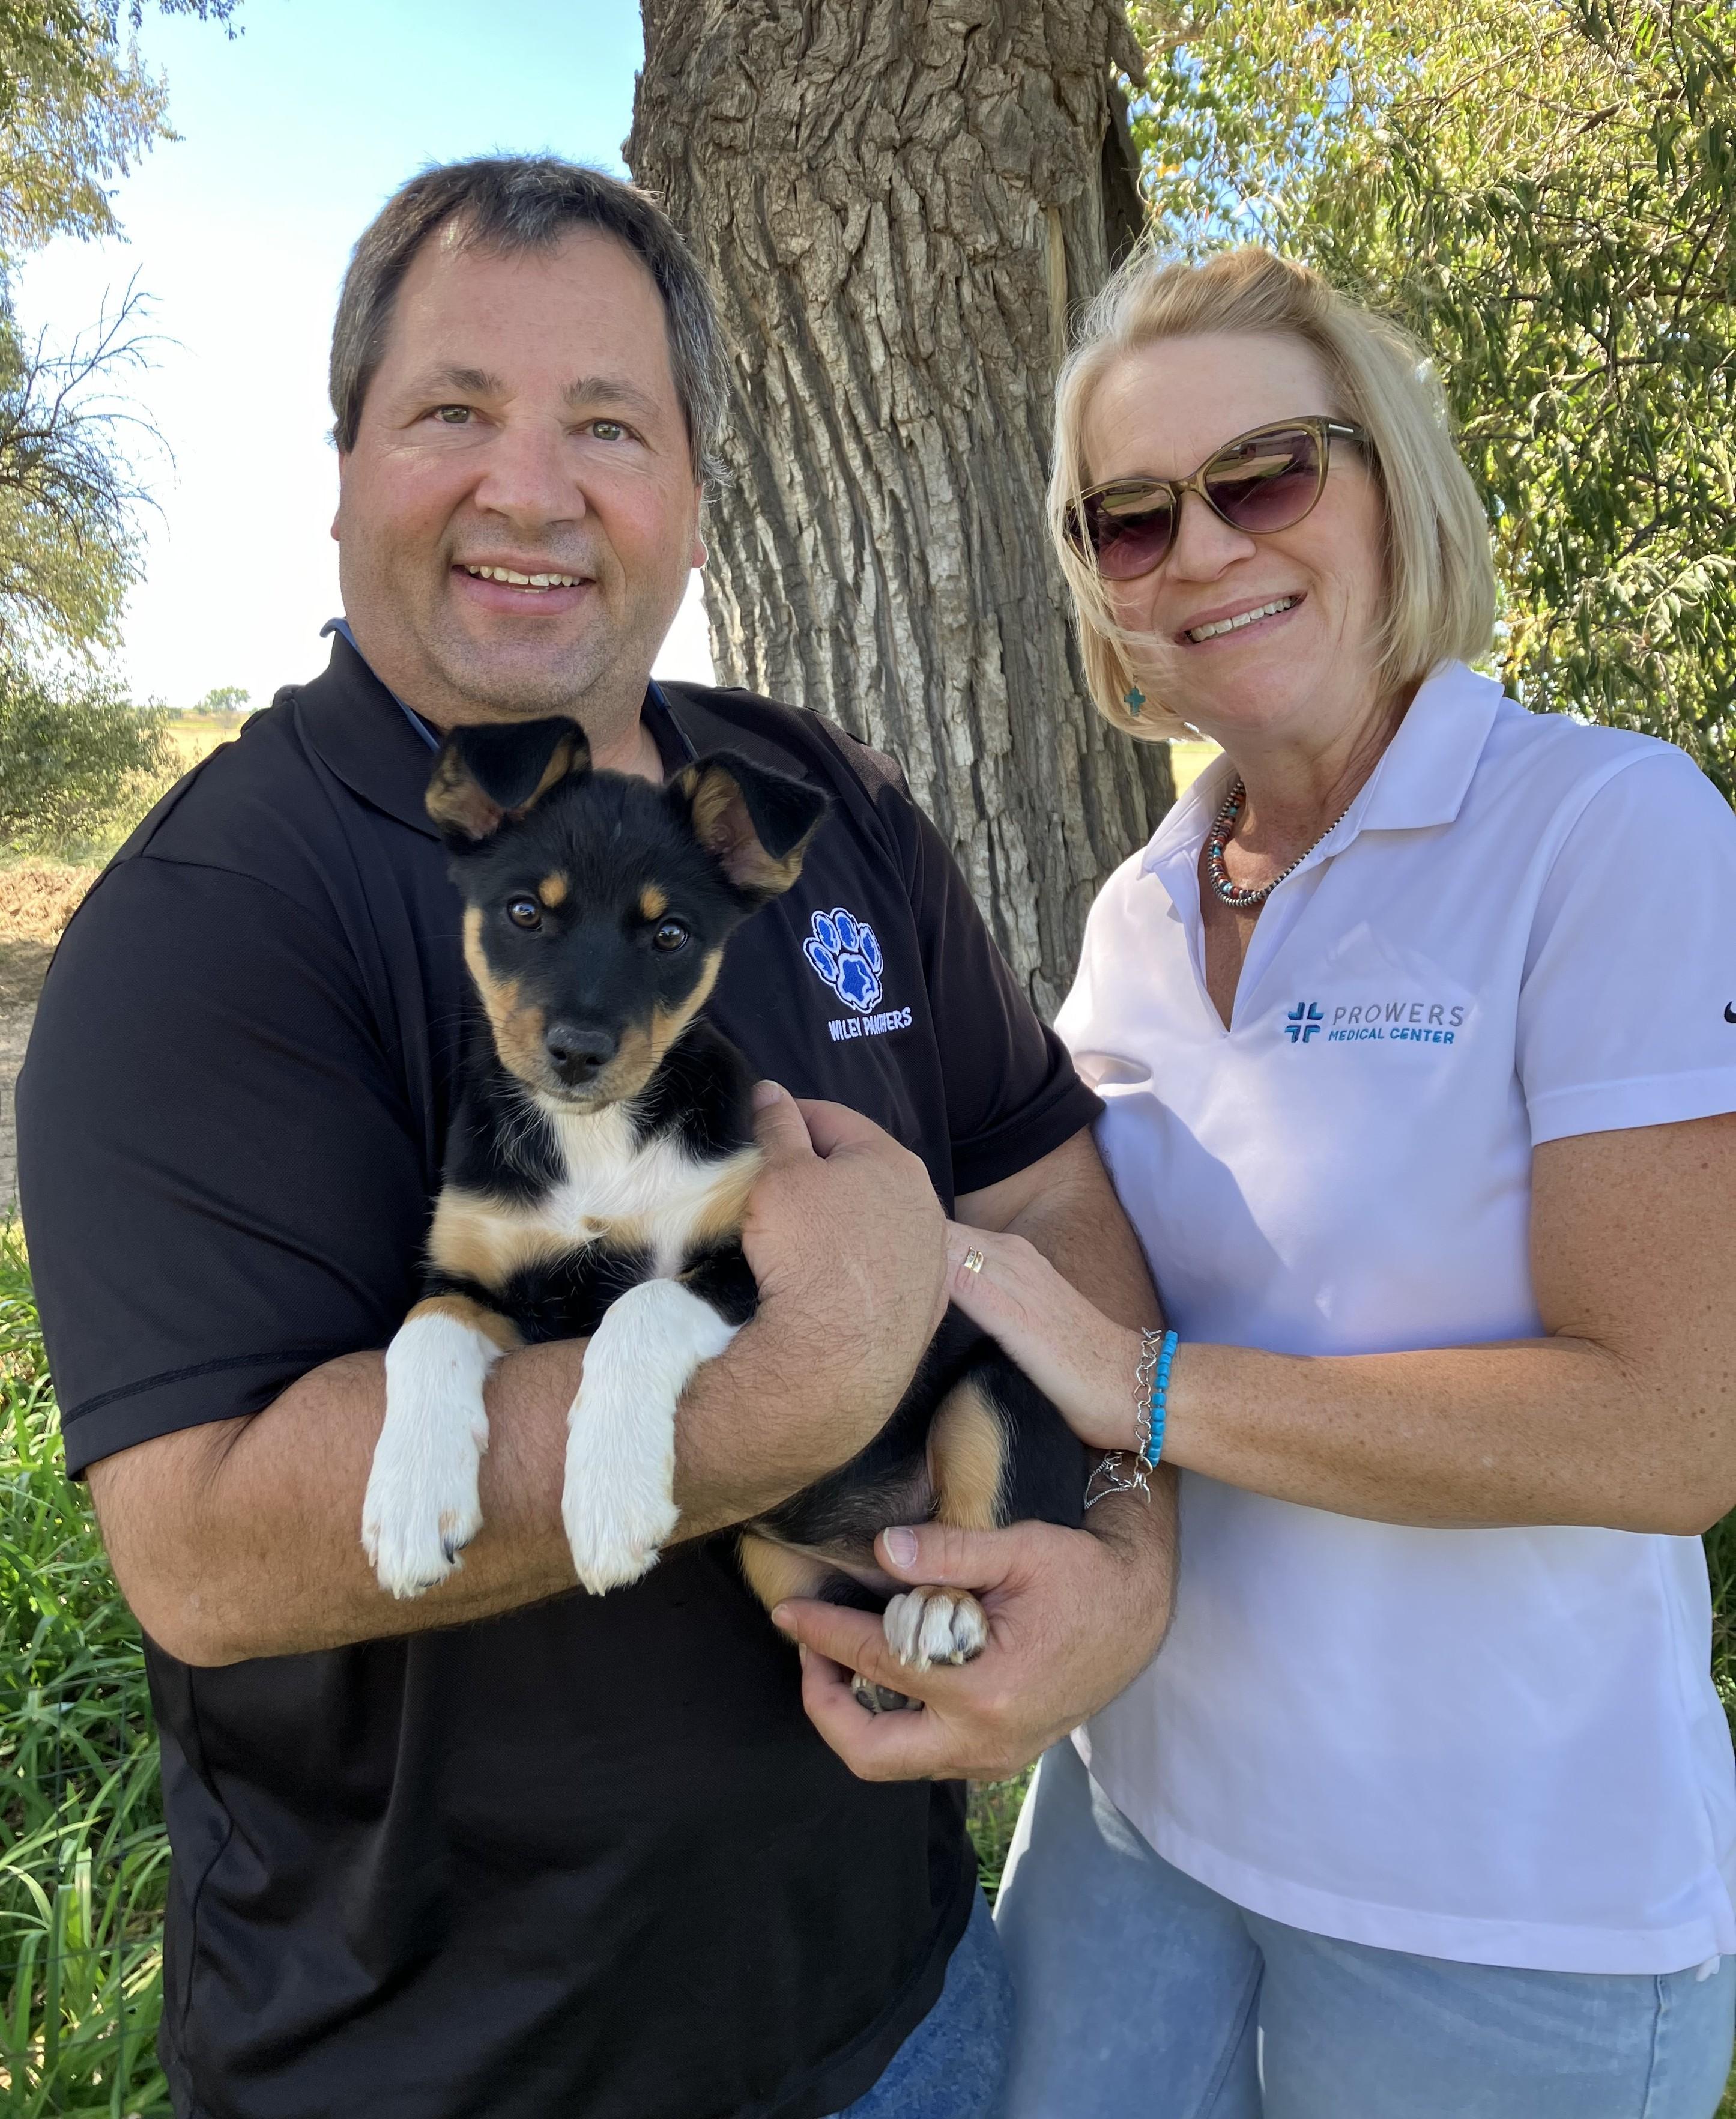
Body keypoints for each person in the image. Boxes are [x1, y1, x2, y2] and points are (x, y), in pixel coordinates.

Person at [16, 157, 1175, 2119]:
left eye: (607, 426)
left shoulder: (825, 811)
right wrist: (802, 1371)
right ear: (347, 459)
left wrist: (1124, 1564)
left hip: (902, 2015)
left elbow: (1047, 1180)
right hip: (428, 2075)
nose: (532, 490)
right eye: (455, 411)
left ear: (697, 486)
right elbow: (203, 1543)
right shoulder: (219, 913)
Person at [922, 246, 1736, 2117]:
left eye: (1263, 474)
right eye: (1127, 519)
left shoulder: (1604, 830)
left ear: (1388, 483)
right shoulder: (1138, 908)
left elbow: (1670, 1429)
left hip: (1496, 1912)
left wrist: (1133, 1387)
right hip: (1131, 1827)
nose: (1199, 547)